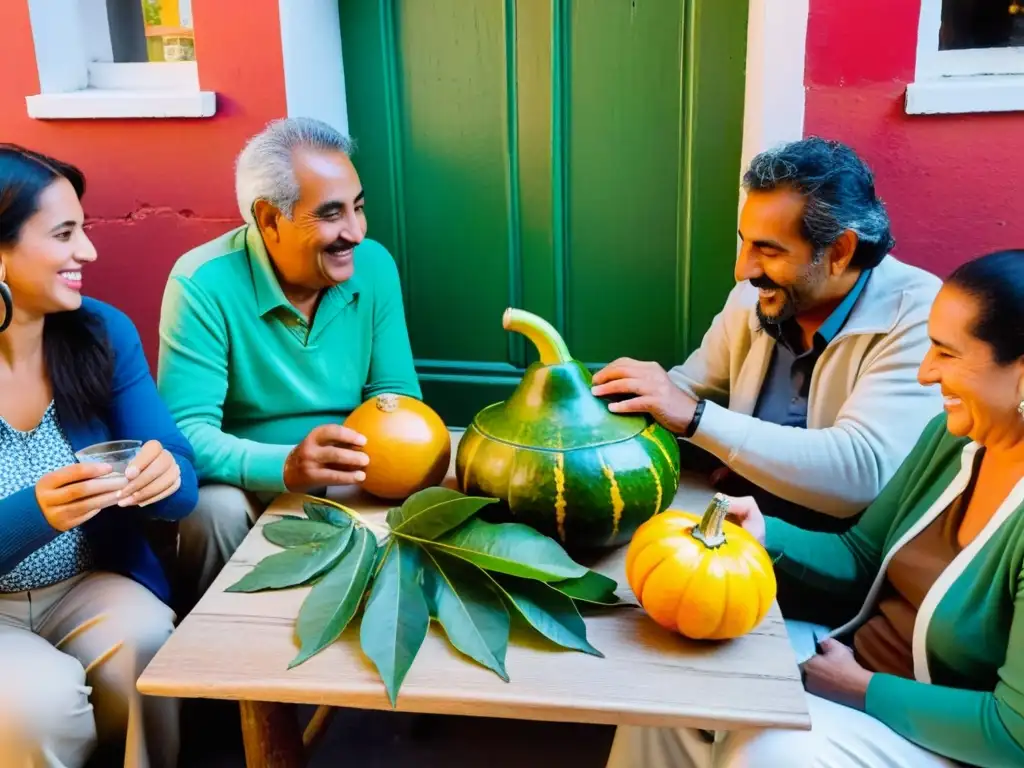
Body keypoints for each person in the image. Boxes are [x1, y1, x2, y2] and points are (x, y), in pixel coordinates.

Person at [605, 248, 1024, 768]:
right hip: (847, 657)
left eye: (946, 352)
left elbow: (1013, 734)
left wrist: (862, 688)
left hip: (947, 735)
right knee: (672, 693)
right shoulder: (953, 439)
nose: (924, 373)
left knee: (770, 751)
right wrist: (764, 537)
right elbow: (860, 558)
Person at [592, 137, 943, 532]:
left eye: (769, 251)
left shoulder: (920, 316)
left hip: (842, 554)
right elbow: (687, 394)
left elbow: (860, 474)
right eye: (745, 244)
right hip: (742, 522)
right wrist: (598, 415)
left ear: (840, 250)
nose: (744, 270)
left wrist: (697, 420)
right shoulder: (755, 296)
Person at [157, 117, 421, 612]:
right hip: (248, 479)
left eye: (359, 207)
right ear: (269, 218)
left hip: (353, 471)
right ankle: (222, 656)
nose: (356, 232)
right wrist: (285, 466)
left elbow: (397, 395)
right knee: (209, 510)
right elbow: (185, 433)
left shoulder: (376, 266)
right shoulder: (201, 283)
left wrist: (379, 463)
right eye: (331, 214)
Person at [0, 145, 199, 768]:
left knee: (146, 641)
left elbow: (184, 485)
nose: (88, 252)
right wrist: (37, 512)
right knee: (39, 705)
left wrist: (163, 477)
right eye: (64, 234)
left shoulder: (101, 331)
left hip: (87, 582)